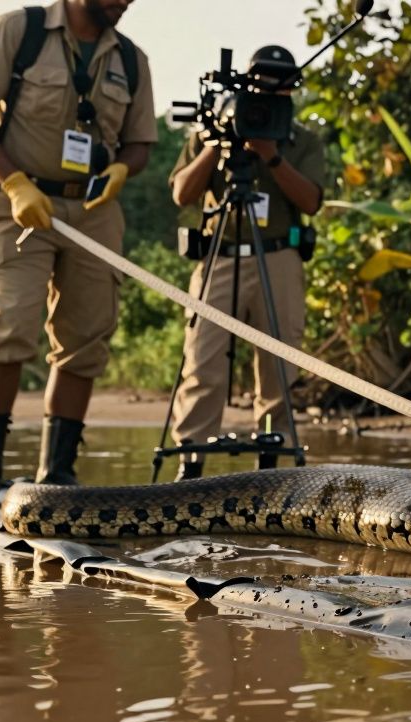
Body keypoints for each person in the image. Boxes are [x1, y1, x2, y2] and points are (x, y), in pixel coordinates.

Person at [0, 0, 155, 508]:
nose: (125, 2)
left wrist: (122, 170)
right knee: (8, 327)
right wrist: (14, 182)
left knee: (86, 337)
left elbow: (140, 143)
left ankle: (57, 473)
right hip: (19, 202)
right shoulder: (17, 31)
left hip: (93, 209)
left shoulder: (132, 59)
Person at [168, 46, 327, 480]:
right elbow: (181, 194)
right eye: (261, 82)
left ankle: (271, 468)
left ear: (293, 89)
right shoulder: (211, 131)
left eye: (281, 83)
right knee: (202, 362)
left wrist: (271, 154)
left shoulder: (303, 139)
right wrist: (218, 144)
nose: (270, 92)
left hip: (278, 256)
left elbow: (312, 201)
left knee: (279, 364)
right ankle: (191, 464)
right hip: (219, 255)